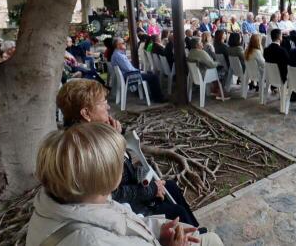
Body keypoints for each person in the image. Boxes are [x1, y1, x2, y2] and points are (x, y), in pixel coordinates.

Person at [26, 122, 223, 246]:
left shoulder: (83, 199)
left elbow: (121, 219)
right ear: (103, 177)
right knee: (212, 240)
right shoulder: (90, 240)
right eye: (118, 162)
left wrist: (155, 230)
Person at [55, 80, 200, 227]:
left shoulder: (92, 135)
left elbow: (125, 166)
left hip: (133, 193)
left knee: (171, 187)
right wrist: (152, 189)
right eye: (103, 102)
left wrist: (115, 138)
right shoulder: (87, 148)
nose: (108, 106)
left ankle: (198, 232)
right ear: (86, 113)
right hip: (126, 211)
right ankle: (197, 237)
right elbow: (113, 194)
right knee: (177, 212)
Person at [111, 37, 165, 103]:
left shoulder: (117, 54)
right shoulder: (118, 55)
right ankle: (158, 98)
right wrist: (139, 71)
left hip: (127, 75)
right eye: (123, 43)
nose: (125, 44)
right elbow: (129, 69)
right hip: (129, 76)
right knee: (154, 77)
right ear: (118, 45)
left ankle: (154, 96)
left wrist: (139, 71)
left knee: (150, 75)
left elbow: (128, 68)